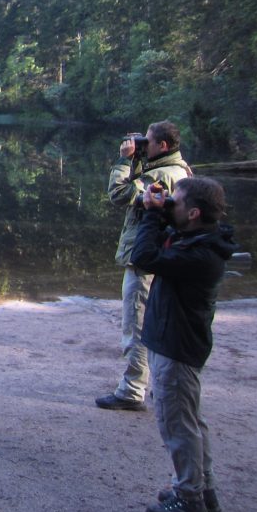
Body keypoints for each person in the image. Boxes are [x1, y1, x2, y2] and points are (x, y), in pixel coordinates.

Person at [132, 176, 237, 512]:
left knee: (177, 422)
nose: (169, 206)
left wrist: (152, 215)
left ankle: (189, 497)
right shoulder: (199, 240)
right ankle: (202, 489)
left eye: (175, 202)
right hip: (179, 342)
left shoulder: (199, 255)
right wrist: (158, 211)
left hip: (176, 346)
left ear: (193, 213)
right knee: (189, 420)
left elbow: (143, 256)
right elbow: (161, 241)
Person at [96, 121, 192, 411]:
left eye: (146, 142)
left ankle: (131, 390)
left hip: (145, 260)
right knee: (158, 325)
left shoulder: (162, 174)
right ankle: (157, 386)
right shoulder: (180, 170)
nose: (141, 145)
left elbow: (120, 194)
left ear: (162, 145)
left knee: (136, 328)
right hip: (163, 258)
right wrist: (139, 159)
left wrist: (124, 161)